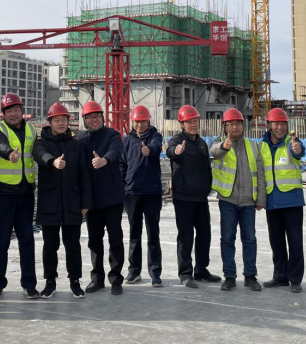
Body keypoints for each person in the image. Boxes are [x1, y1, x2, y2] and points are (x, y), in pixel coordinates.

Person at [33, 102, 92, 299]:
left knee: (73, 245)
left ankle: (75, 281)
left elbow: (84, 174)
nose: (60, 123)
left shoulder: (76, 145)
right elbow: (39, 155)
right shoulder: (41, 143)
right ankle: (50, 282)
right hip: (49, 202)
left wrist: (85, 202)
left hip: (72, 202)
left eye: (63, 120)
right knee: (50, 246)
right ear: (49, 122)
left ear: (68, 121)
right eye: (56, 120)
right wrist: (53, 161)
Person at [0, 93, 39, 299]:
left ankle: (29, 284)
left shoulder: (32, 130)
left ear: (21, 110)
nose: (13, 114)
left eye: (16, 109)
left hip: (26, 193)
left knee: (27, 239)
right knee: (1, 240)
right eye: (9, 110)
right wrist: (9, 153)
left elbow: (38, 151)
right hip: (4, 193)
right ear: (3, 113)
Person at [211, 108, 266, 292]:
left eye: (238, 123)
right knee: (227, 239)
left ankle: (250, 276)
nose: (235, 127)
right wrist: (224, 147)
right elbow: (215, 152)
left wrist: (261, 199)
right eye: (231, 124)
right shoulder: (219, 143)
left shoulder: (253, 146)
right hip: (228, 200)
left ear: (243, 126)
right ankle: (229, 276)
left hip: (249, 201)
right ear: (225, 126)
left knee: (249, 239)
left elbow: (260, 173)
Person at [166, 105, 221, 288]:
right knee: (186, 236)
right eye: (189, 122)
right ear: (182, 124)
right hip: (183, 198)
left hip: (200, 197)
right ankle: (185, 273)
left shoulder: (202, 143)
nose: (193, 124)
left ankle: (201, 270)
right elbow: (170, 151)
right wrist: (176, 151)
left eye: (195, 121)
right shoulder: (177, 140)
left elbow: (206, 168)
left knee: (205, 234)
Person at [76, 101, 125, 296]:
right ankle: (97, 278)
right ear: (85, 120)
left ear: (103, 118)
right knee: (94, 240)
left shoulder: (112, 135)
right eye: (90, 117)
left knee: (115, 238)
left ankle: (116, 278)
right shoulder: (80, 139)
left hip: (112, 197)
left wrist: (104, 160)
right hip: (92, 200)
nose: (94, 120)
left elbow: (116, 151)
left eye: (97, 116)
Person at [259, 108, 306, 293]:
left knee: (295, 242)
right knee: (276, 242)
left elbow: (299, 151)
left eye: (283, 124)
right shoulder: (261, 146)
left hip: (292, 201)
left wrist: (298, 150)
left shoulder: (292, 142)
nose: (280, 127)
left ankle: (295, 279)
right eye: (276, 124)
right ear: (269, 125)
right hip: (271, 201)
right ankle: (280, 276)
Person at [119, 105, 164, 287]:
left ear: (148, 121)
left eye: (143, 121)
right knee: (134, 234)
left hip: (152, 192)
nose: (139, 124)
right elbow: (122, 164)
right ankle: (134, 270)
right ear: (132, 122)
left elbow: (156, 147)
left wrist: (149, 150)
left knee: (153, 234)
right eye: (137, 122)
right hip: (132, 193)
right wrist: (123, 185)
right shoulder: (127, 140)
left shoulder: (155, 136)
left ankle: (155, 272)